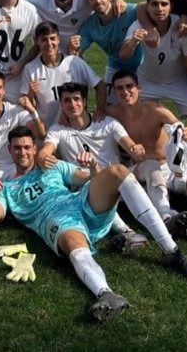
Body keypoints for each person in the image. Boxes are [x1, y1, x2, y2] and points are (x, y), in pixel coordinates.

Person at [0, 126, 187, 322]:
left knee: (118, 171)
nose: (23, 152)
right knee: (73, 244)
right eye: (17, 148)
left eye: (27, 147)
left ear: (34, 148)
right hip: (56, 220)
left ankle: (173, 252)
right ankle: (106, 294)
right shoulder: (7, 187)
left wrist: (93, 166)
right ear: (9, 150)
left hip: (79, 202)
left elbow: (90, 178)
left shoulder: (52, 166)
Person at [36, 82, 149, 252]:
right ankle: (127, 231)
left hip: (118, 180)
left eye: (76, 99)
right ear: (61, 104)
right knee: (95, 184)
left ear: (84, 101)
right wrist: (43, 157)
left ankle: (166, 215)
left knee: (152, 167)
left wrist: (137, 150)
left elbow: (132, 148)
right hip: (87, 188)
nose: (72, 105)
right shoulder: (57, 130)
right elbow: (46, 150)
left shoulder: (108, 123)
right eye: (67, 100)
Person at [107, 71, 187, 236]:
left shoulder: (156, 109)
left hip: (169, 166)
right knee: (151, 167)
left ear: (139, 88)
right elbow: (86, 119)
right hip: (142, 169)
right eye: (119, 88)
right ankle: (167, 216)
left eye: (129, 86)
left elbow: (178, 126)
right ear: (113, 92)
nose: (125, 91)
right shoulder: (112, 113)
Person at [120, 0, 187, 119]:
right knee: (136, 118)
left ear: (171, 6)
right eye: (154, 4)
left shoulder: (183, 28)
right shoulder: (139, 25)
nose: (159, 9)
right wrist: (133, 41)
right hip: (147, 81)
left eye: (164, 4)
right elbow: (123, 54)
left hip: (179, 81)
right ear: (148, 7)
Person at [21, 21, 105, 127]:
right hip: (48, 130)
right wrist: (30, 94)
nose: (49, 43)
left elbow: (100, 85)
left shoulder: (74, 62)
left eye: (52, 38)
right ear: (37, 41)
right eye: (44, 39)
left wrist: (100, 109)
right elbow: (27, 105)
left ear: (58, 39)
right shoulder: (30, 69)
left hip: (76, 128)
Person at [0, 69, 46, 181]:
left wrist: (32, 111)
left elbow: (40, 134)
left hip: (14, 170)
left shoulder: (14, 111)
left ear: (4, 90)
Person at [79, 0, 142, 102]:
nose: (97, 0)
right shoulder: (89, 25)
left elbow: (145, 6)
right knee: (110, 104)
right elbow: (77, 52)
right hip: (115, 65)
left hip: (142, 66)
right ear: (88, 1)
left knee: (142, 106)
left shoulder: (129, 11)